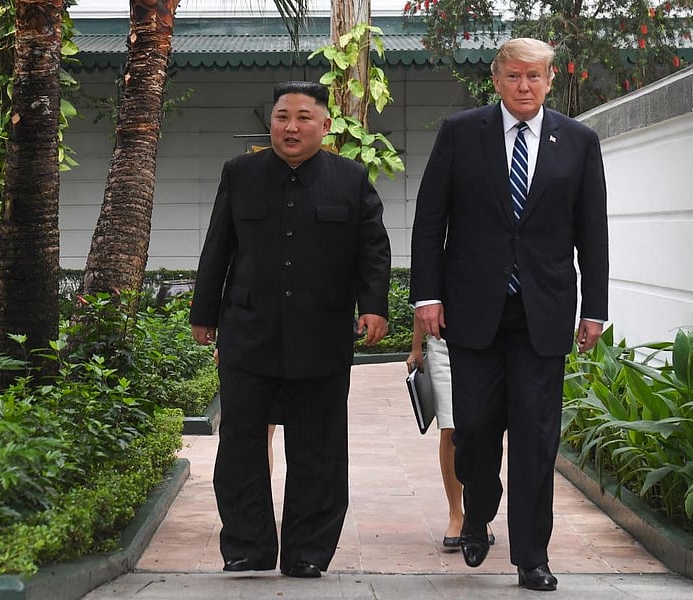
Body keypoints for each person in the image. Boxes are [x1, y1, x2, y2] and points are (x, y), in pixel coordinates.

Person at [409, 38, 609, 592]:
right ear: (495, 80)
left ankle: (532, 556)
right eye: (514, 77)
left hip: (542, 314)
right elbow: (431, 221)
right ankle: (477, 511)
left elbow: (593, 231)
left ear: (549, 81)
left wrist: (595, 308)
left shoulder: (578, 141)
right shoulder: (460, 133)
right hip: (471, 311)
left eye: (535, 77)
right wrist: (426, 296)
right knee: (472, 428)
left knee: (535, 438)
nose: (525, 87)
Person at [190, 80, 391, 579]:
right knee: (240, 445)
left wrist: (374, 306)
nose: (292, 126)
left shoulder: (350, 178)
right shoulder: (241, 174)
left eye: (304, 117)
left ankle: (307, 552)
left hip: (320, 338)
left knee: (318, 448)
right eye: (282, 116)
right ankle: (247, 547)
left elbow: (373, 249)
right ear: (271, 123)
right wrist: (204, 313)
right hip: (248, 333)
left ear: (325, 125)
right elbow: (218, 246)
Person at [406, 317, 496, 551]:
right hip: (443, 343)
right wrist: (416, 347)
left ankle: (478, 514)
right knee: (450, 427)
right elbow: (425, 294)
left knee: (482, 430)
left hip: (487, 343)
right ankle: (456, 514)